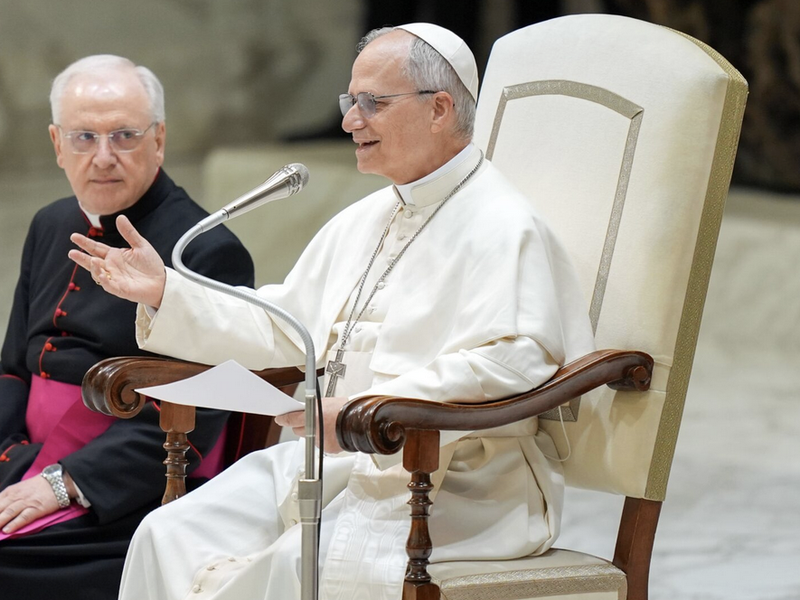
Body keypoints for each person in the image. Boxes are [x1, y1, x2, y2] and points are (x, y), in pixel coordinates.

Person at [71, 24, 595, 600]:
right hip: (338, 463)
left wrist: (364, 411)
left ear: (440, 109)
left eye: (373, 103)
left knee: (292, 566)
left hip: (458, 485)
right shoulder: (364, 218)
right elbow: (286, 328)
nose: (349, 121)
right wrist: (166, 293)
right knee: (167, 533)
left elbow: (515, 361)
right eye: (351, 101)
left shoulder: (504, 225)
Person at [0, 55, 254, 600]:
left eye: (124, 135)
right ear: (57, 143)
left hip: (135, 489)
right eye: (84, 137)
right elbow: (13, 369)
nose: (103, 157)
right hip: (26, 462)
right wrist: (8, 457)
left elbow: (195, 414)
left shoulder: (206, 249)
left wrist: (65, 482)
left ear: (158, 140)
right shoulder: (50, 223)